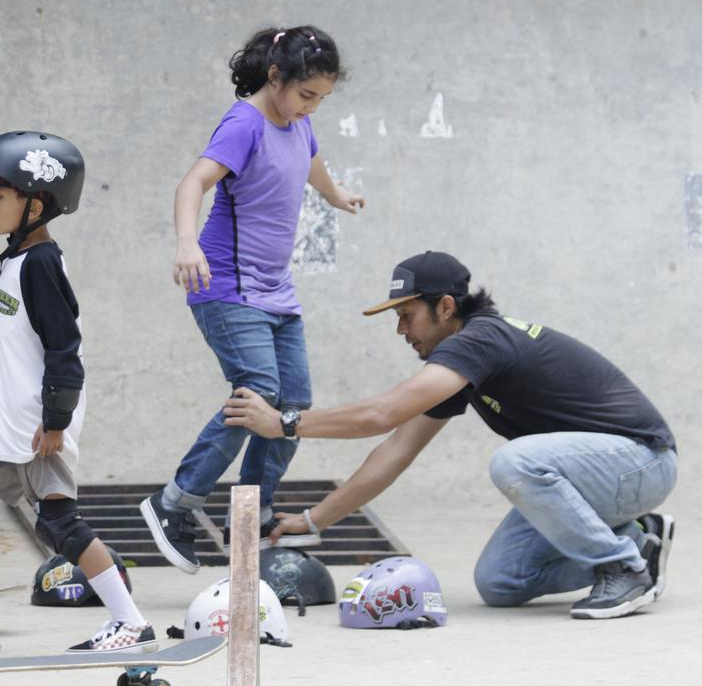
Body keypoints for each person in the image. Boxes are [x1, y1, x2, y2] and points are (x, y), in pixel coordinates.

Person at [224, 251, 678, 619]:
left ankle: (623, 567)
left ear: (446, 307)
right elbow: (395, 449)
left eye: (407, 314)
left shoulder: (481, 341)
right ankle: (639, 540)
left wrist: (283, 422)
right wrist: (313, 520)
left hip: (640, 461)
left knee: (514, 462)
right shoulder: (463, 365)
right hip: (596, 477)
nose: (401, 330)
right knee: (500, 582)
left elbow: (380, 415)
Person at [139, 26, 365, 574]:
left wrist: (335, 195)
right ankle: (175, 502)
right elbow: (193, 183)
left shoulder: (299, 124)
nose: (310, 108)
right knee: (258, 392)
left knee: (294, 406)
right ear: (275, 77)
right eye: (306, 94)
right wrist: (186, 242)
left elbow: (310, 162)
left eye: (321, 99)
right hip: (226, 286)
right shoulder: (245, 122)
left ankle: (253, 509)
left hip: (276, 292)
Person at [0, 131, 155, 654]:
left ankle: (130, 622)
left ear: (34, 204)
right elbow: (27, 327)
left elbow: (65, 347)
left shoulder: (41, 263)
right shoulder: (19, 261)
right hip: (7, 420)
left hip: (40, 423)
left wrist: (57, 420)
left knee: (59, 525)